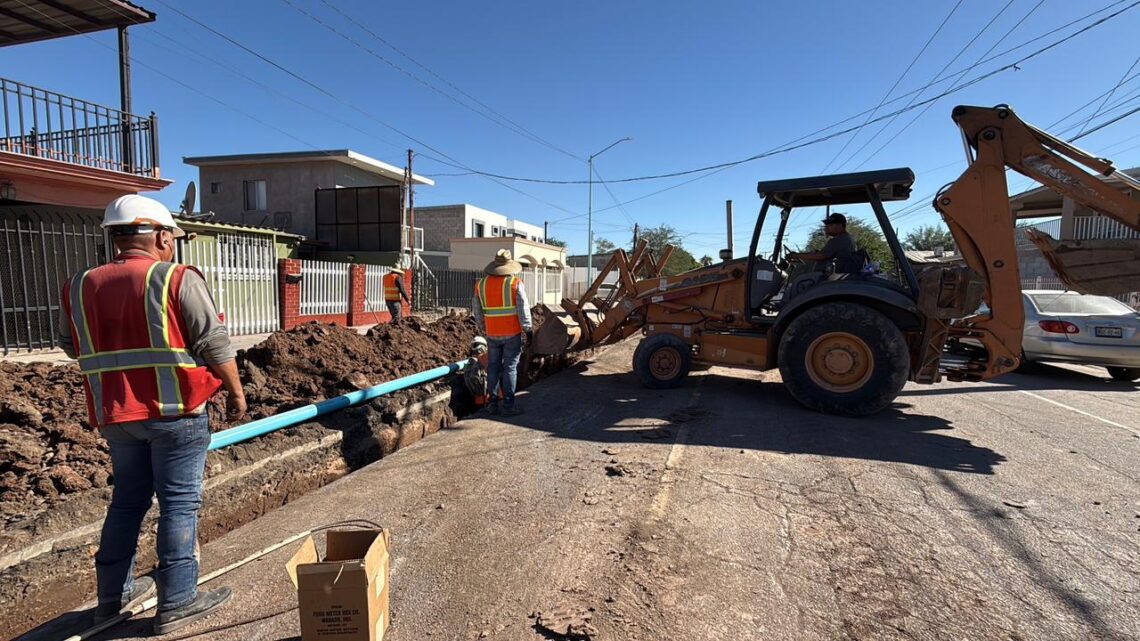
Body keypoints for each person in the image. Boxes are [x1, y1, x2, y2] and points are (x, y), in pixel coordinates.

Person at [58, 195, 246, 635]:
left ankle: (112, 600)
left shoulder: (78, 286)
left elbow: (72, 345)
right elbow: (213, 343)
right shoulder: (175, 278)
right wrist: (236, 392)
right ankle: (179, 599)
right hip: (176, 412)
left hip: (116, 414)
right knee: (179, 503)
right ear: (161, 236)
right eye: (173, 238)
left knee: (126, 502)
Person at [471, 249, 533, 416]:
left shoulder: (481, 285)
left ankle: (492, 404)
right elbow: (523, 309)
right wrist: (528, 329)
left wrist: (484, 327)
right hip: (512, 333)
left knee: (493, 368)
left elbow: (477, 311)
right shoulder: (515, 283)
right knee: (510, 368)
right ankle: (508, 405)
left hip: (492, 334)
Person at [787, 213, 864, 274]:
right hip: (836, 276)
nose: (826, 227)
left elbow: (821, 256)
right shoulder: (847, 238)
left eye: (830, 224)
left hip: (832, 278)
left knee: (801, 284)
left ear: (840, 225)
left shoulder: (839, 240)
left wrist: (796, 255)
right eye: (826, 225)